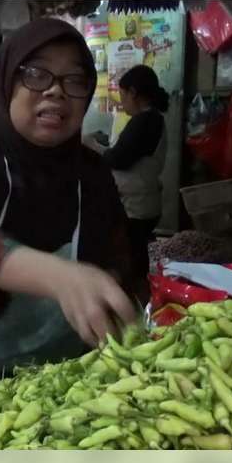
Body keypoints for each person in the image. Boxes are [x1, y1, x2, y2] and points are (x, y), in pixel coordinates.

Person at [0, 18, 136, 381]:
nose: (56, 91)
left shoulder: (93, 173)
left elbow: (120, 255)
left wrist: (114, 293)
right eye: (37, 74)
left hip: (66, 380)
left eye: (74, 80)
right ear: (8, 82)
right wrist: (61, 278)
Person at [83, 65, 168, 299]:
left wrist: (91, 145)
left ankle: (137, 302)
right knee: (137, 254)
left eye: (122, 96)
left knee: (132, 258)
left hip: (136, 205)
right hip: (144, 201)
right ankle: (140, 297)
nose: (122, 103)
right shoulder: (152, 119)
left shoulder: (145, 120)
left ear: (133, 93)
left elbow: (117, 159)